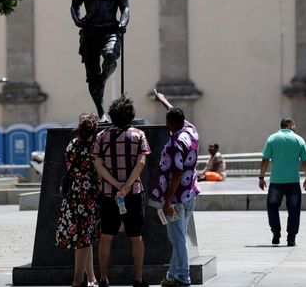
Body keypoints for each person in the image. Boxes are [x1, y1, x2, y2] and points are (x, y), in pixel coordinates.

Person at [92, 95, 150, 287]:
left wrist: (117, 185)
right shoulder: (139, 135)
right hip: (133, 193)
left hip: (108, 194)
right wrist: (126, 186)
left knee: (106, 236)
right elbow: (141, 162)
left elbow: (98, 164)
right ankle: (138, 278)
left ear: (112, 115)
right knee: (136, 235)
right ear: (131, 115)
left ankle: (103, 278)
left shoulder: (101, 136)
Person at [71, 0, 130, 122]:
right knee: (92, 74)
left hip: (110, 30)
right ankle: (102, 112)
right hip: (90, 32)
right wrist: (76, 19)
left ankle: (102, 80)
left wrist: (123, 22)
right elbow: (74, 6)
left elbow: (125, 8)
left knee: (111, 56)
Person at [153, 89, 200, 287]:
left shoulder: (174, 143)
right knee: (178, 238)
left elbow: (176, 174)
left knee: (177, 240)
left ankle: (183, 277)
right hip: (189, 195)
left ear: (170, 124)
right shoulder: (191, 130)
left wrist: (167, 200)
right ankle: (173, 275)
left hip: (176, 199)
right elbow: (175, 112)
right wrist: (163, 99)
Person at [56, 113, 101, 287]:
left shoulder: (71, 145)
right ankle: (77, 280)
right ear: (94, 129)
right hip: (89, 195)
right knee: (84, 238)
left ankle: (91, 278)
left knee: (84, 237)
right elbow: (97, 172)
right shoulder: (94, 148)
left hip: (73, 193)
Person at [258, 118, 306, 247]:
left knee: (272, 206)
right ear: (290, 125)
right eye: (294, 124)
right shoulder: (299, 140)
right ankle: (291, 238)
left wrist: (261, 177)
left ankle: (276, 232)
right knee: (294, 210)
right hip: (293, 181)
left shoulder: (272, 139)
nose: (295, 126)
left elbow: (265, 159)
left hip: (276, 181)